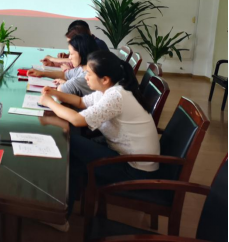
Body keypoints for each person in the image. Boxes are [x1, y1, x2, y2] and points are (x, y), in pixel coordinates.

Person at [39, 50, 160, 227]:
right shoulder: (112, 89)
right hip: (128, 157)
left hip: (135, 170)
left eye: (89, 73)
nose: (85, 77)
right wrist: (55, 94)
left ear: (105, 79)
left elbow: (77, 119)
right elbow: (80, 102)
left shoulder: (116, 96)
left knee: (69, 141)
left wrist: (48, 102)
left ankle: (61, 214)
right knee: (75, 150)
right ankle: (63, 208)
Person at [28, 34, 99, 96]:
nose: (69, 58)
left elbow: (61, 89)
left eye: (71, 54)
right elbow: (65, 75)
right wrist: (42, 73)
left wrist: (65, 84)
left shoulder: (83, 78)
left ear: (82, 53)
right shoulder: (83, 68)